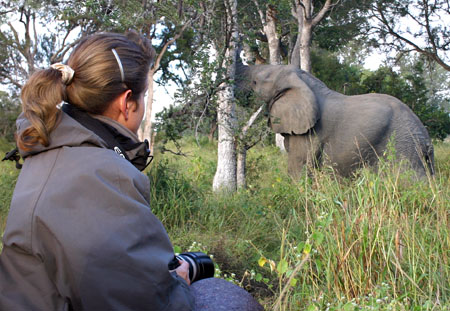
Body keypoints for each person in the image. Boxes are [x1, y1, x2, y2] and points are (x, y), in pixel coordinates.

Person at [0, 31, 195, 310]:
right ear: (127, 103)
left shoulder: (46, 151)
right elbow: (144, 303)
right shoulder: (104, 174)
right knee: (218, 292)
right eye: (144, 97)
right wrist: (179, 282)